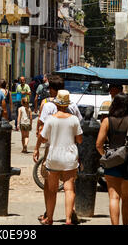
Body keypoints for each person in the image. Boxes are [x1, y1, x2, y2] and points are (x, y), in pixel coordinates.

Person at [34, 75, 82, 224]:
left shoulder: (50, 113)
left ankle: (49, 217)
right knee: (69, 188)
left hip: (53, 153)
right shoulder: (74, 112)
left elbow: (41, 135)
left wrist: (36, 149)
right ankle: (68, 218)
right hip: (70, 155)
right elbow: (80, 138)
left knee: (50, 188)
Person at [96, 93, 128, 225]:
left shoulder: (106, 121)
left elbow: (98, 144)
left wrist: (106, 156)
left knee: (113, 197)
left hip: (112, 163)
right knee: (127, 197)